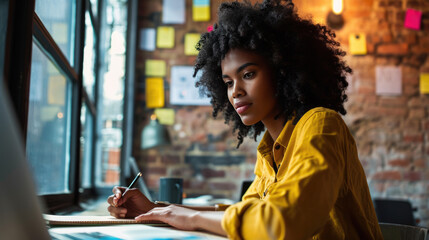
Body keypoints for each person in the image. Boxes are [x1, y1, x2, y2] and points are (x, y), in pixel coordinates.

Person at [107, 0, 383, 239]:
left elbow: (278, 224)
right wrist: (157, 209)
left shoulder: (321, 125)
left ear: (283, 71)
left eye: (248, 74)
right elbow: (247, 214)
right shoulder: (269, 150)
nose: (235, 91)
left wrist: (189, 217)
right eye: (227, 82)